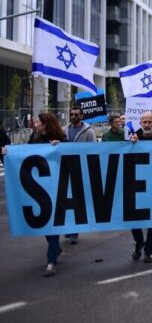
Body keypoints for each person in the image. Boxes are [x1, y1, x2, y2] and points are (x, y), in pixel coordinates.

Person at [29, 113, 67, 276]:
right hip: (39, 187)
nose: (35, 123)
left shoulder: (60, 138)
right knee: (43, 221)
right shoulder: (34, 137)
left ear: (46, 125)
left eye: (38, 121)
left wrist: (59, 148)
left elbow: (70, 156)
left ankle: (51, 261)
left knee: (53, 224)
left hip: (56, 186)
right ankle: (56, 248)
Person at [128, 112, 152, 262]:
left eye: (150, 122)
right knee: (132, 218)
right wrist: (130, 144)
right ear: (140, 123)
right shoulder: (133, 139)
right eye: (145, 122)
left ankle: (149, 250)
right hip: (136, 185)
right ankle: (139, 243)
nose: (147, 125)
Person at [62, 106, 96, 245]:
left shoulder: (89, 132)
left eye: (76, 114)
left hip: (81, 169)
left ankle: (74, 231)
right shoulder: (64, 130)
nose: (73, 116)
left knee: (77, 201)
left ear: (81, 116)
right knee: (66, 200)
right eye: (71, 114)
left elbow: (93, 150)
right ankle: (69, 227)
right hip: (66, 169)